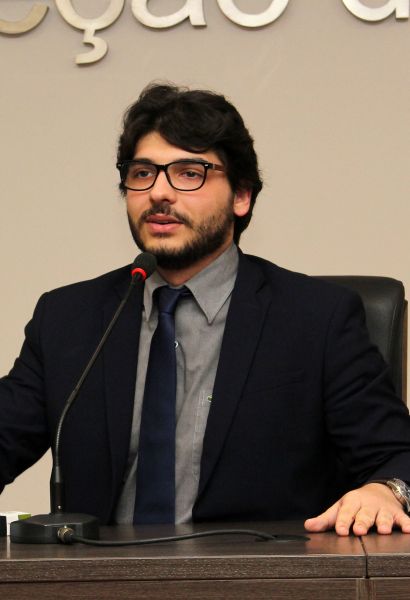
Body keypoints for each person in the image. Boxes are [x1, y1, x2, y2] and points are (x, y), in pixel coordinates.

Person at [1, 83, 410, 536]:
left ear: (241, 195)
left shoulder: (316, 318)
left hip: (259, 571)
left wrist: (385, 490)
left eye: (188, 173)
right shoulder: (67, 318)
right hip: (99, 571)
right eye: (142, 173)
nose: (159, 192)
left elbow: (396, 455)